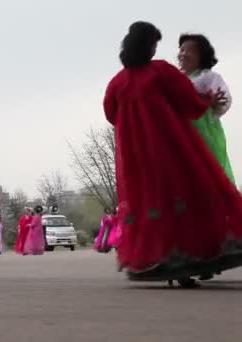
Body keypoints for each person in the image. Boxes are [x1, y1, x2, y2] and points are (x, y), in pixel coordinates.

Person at [103, 21, 242, 287]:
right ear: (148, 46)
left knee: (153, 203)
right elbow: (189, 100)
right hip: (170, 149)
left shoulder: (117, 83)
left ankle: (164, 260)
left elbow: (111, 114)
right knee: (182, 196)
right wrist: (206, 103)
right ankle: (189, 260)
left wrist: (133, 126)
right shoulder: (160, 71)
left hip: (136, 159)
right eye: (154, 44)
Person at [178, 33, 235, 183]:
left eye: (188, 50)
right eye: (181, 50)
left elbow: (224, 98)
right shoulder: (177, 80)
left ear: (201, 56)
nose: (182, 54)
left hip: (205, 133)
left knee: (210, 173)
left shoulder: (207, 77)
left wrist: (216, 104)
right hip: (182, 134)